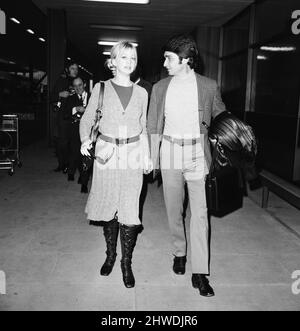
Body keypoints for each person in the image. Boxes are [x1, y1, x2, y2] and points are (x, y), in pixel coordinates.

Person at [147, 34, 226, 297]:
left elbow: (220, 116)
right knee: (174, 210)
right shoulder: (159, 88)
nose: (165, 62)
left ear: (186, 60)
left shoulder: (208, 86)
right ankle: (179, 252)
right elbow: (152, 126)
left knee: (200, 214)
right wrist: (151, 156)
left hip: (196, 154)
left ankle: (200, 272)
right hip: (169, 151)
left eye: (169, 58)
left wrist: (234, 132)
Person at [80, 41, 152, 288]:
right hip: (107, 155)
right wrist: (85, 140)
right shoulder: (101, 88)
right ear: (112, 62)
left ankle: (126, 263)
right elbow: (88, 119)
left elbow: (143, 128)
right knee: (110, 207)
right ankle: (110, 255)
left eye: (133, 57)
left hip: (133, 154)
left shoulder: (142, 93)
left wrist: (147, 155)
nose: (129, 62)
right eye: (123, 57)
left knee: (130, 210)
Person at [64, 76, 91, 193]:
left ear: (84, 84)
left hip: (89, 132)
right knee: (77, 155)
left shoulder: (93, 96)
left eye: (80, 85)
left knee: (87, 157)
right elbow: (65, 114)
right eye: (75, 86)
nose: (78, 88)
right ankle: (80, 174)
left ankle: (84, 183)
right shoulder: (71, 99)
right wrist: (75, 109)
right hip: (75, 131)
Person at [51, 61, 79, 173]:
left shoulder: (79, 81)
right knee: (62, 142)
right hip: (63, 116)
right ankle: (62, 164)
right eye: (72, 68)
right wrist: (59, 94)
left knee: (73, 142)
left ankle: (71, 165)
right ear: (67, 69)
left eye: (76, 69)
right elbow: (52, 95)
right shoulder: (61, 80)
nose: (75, 71)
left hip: (75, 116)